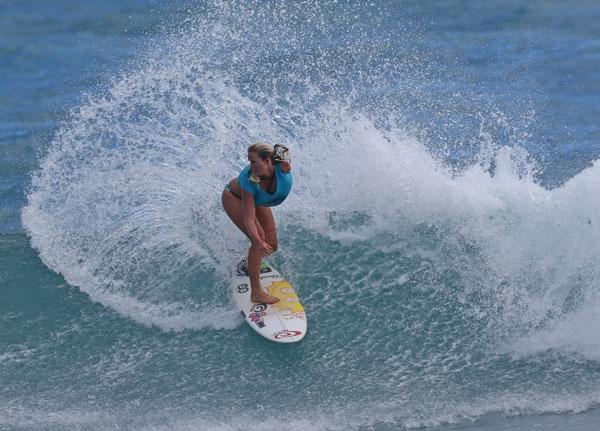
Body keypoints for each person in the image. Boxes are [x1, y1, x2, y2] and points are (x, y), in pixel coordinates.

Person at [222, 143, 292, 304]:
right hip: (234, 197)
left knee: (272, 245)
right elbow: (248, 218)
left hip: (259, 199)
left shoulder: (283, 167)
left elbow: (282, 147)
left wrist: (276, 152)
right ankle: (256, 293)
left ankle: (248, 263)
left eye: (254, 162)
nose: (250, 166)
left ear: (267, 160)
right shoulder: (248, 179)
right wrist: (257, 241)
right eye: (249, 161)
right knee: (259, 239)